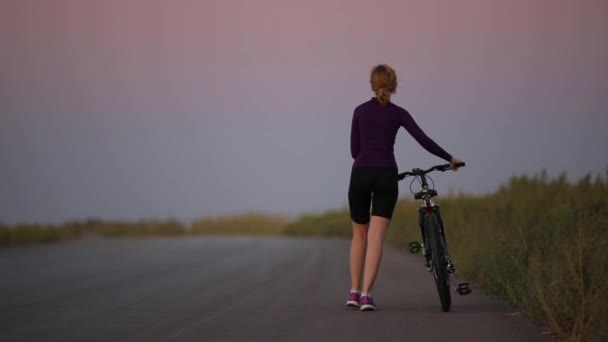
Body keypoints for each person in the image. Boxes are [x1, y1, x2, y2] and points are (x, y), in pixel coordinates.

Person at [346, 64, 462, 311]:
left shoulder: (359, 111)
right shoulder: (399, 113)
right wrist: (449, 158)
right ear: (394, 85)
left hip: (361, 174)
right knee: (376, 237)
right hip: (387, 174)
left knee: (359, 235)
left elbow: (354, 151)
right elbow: (423, 140)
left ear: (371, 84)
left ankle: (353, 293)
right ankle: (367, 295)